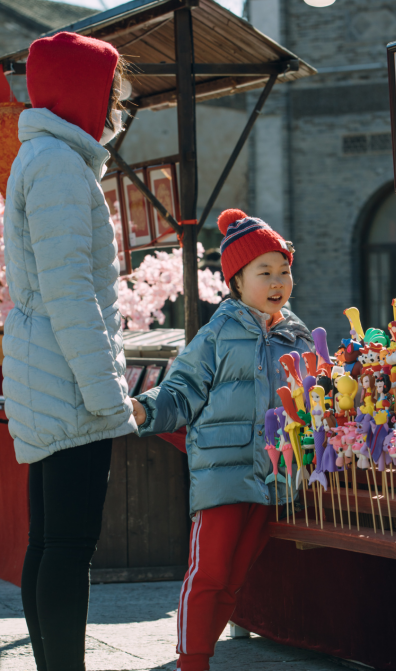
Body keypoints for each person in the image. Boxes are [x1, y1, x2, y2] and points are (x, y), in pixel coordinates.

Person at [3, 31, 137, 671]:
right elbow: (70, 292)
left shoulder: (45, 158)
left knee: (49, 541)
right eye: (112, 91)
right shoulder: (57, 165)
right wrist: (108, 396)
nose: (116, 106)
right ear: (84, 91)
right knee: (69, 545)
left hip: (46, 373)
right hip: (69, 378)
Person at [132, 208, 313, 671]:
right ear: (235, 281)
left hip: (272, 476)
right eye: (264, 272)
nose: (277, 281)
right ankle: (192, 662)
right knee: (208, 572)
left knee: (234, 578)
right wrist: (144, 407)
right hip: (221, 474)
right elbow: (182, 388)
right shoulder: (217, 333)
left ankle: (201, 655)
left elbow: (314, 400)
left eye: (284, 271)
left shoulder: (297, 338)